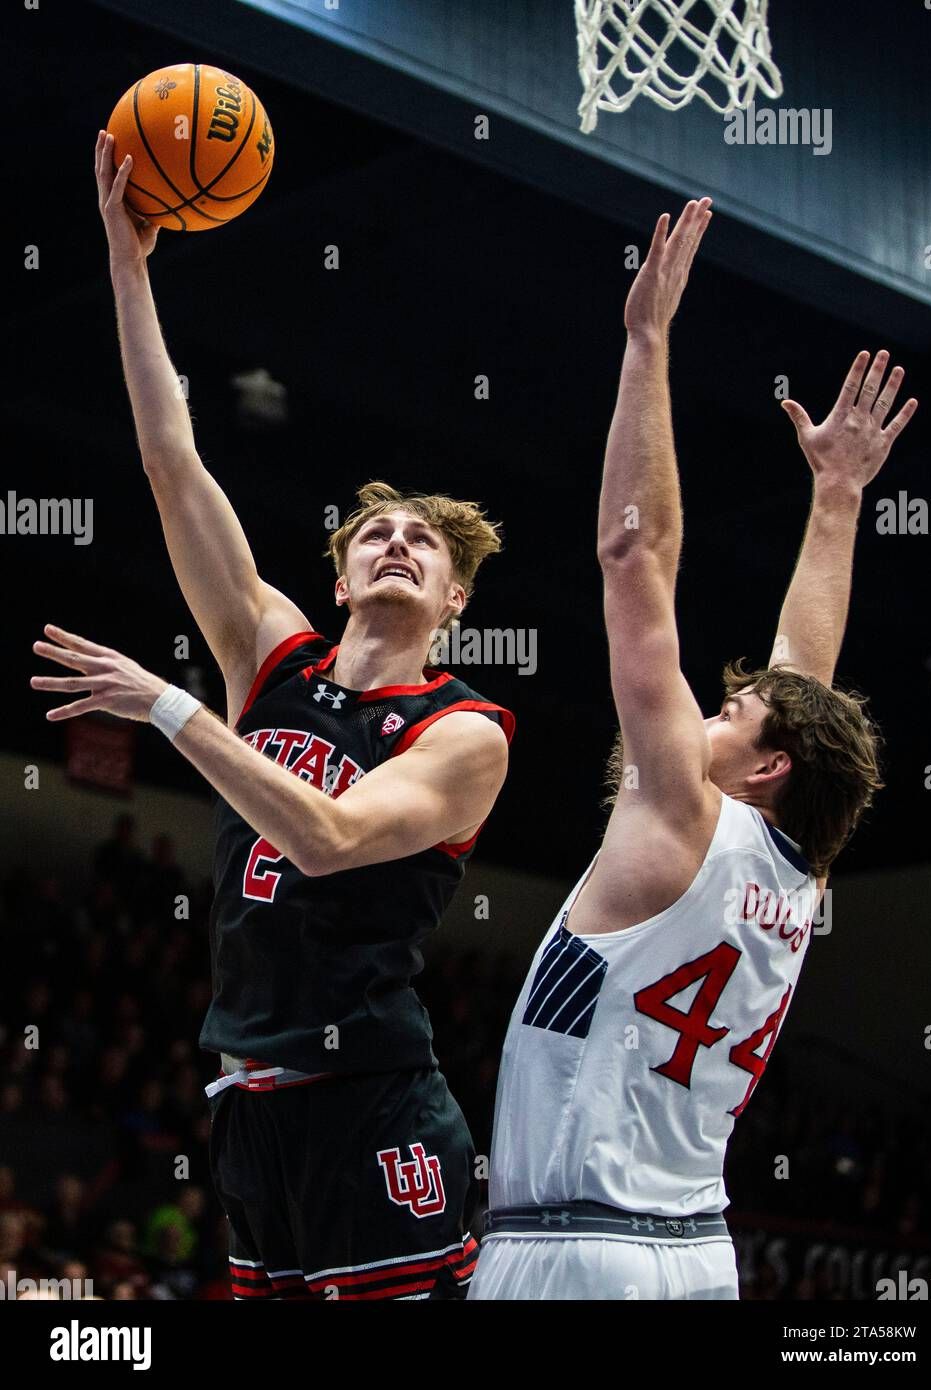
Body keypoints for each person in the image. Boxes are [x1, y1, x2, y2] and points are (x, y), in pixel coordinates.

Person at [29, 130, 514, 1302]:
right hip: (246, 1103)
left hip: (373, 1099)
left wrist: (169, 709)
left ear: (453, 598)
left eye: (425, 544)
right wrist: (128, 263)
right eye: (373, 536)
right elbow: (168, 457)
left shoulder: (463, 732)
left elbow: (329, 837)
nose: (395, 542)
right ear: (341, 579)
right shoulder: (274, 656)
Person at [470, 198, 917, 1300]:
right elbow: (804, 672)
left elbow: (634, 557)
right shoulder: (797, 871)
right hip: (696, 1253)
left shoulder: (682, 812)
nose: (705, 713)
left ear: (764, 767)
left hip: (576, 1249)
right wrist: (838, 498)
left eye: (731, 716)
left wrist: (646, 345)